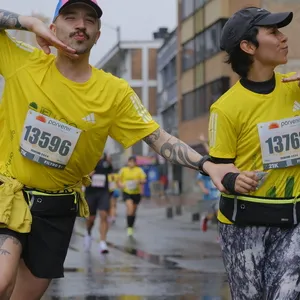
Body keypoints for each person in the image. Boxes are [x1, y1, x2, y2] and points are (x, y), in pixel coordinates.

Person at [0, 1, 258, 298]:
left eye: (90, 20)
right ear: (54, 27)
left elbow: (157, 137)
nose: (80, 24)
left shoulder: (114, 92)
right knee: (2, 280)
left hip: (56, 208)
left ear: (97, 34)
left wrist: (208, 165)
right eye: (70, 17)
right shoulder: (24, 61)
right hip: (9, 192)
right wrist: (28, 22)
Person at [208, 6, 300, 299]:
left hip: (293, 222)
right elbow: (220, 168)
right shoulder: (226, 108)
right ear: (248, 47)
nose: (283, 38)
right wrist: (235, 180)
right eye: (273, 32)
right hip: (243, 225)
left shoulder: (295, 88)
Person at [84, 153, 113, 254]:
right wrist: (88, 174)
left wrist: (109, 162)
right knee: (91, 219)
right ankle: (88, 233)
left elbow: (111, 172)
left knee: (104, 215)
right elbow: (80, 176)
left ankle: (102, 242)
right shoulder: (88, 162)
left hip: (103, 192)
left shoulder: (105, 163)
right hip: (91, 193)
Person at [118, 156, 146, 237]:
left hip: (136, 193)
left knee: (133, 211)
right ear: (128, 162)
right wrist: (121, 185)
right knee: (130, 208)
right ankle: (129, 227)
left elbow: (144, 180)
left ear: (135, 163)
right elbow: (118, 180)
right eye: (130, 161)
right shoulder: (123, 170)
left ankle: (131, 224)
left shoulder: (139, 170)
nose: (131, 163)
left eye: (133, 162)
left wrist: (139, 181)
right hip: (127, 192)